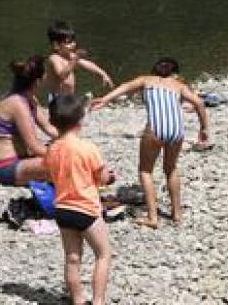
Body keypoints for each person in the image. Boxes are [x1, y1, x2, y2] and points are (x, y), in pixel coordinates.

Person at [91, 58, 211, 229]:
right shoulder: (178, 85)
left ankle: (153, 217)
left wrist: (105, 100)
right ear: (174, 72)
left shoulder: (146, 80)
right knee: (171, 169)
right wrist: (204, 128)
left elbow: (125, 87)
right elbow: (199, 103)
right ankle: (177, 214)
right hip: (177, 130)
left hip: (155, 129)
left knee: (145, 170)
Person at [44, 92, 115, 305]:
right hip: (87, 210)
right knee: (103, 254)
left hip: (63, 210)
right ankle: (98, 300)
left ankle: (77, 300)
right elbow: (101, 178)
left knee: (72, 258)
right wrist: (109, 178)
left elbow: (49, 176)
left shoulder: (52, 149)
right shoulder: (88, 148)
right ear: (81, 119)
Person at [0, 56, 54, 185]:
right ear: (37, 81)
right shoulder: (17, 104)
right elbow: (34, 147)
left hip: (25, 160)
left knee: (67, 155)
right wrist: (67, 153)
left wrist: (71, 138)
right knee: (63, 163)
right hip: (7, 167)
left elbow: (49, 128)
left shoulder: (30, 99)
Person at [42, 20, 113, 103]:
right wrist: (74, 59)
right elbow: (62, 75)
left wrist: (102, 73)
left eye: (73, 41)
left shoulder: (70, 56)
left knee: (84, 104)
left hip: (69, 97)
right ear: (56, 45)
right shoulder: (54, 58)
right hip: (57, 99)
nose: (73, 44)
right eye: (68, 42)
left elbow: (86, 64)